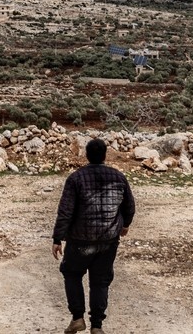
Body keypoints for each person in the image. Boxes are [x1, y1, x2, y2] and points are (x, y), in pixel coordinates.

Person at [52, 138, 136, 334]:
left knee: (72, 274)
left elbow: (65, 211)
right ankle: (97, 326)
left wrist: (57, 238)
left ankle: (77, 318)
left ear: (86, 155)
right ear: (105, 155)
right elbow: (129, 206)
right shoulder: (118, 177)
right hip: (108, 241)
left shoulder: (75, 178)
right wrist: (125, 225)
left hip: (80, 240)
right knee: (100, 281)